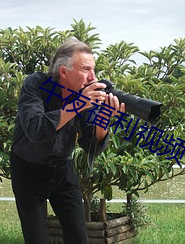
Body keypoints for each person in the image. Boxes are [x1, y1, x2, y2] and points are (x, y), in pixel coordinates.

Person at [10, 38, 125, 244]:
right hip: (28, 170)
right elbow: (35, 129)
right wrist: (79, 104)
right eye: (86, 69)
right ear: (63, 72)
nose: (93, 77)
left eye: (94, 69)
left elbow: (91, 145)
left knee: (79, 237)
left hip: (62, 170)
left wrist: (104, 116)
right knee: (36, 239)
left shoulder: (86, 97)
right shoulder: (36, 84)